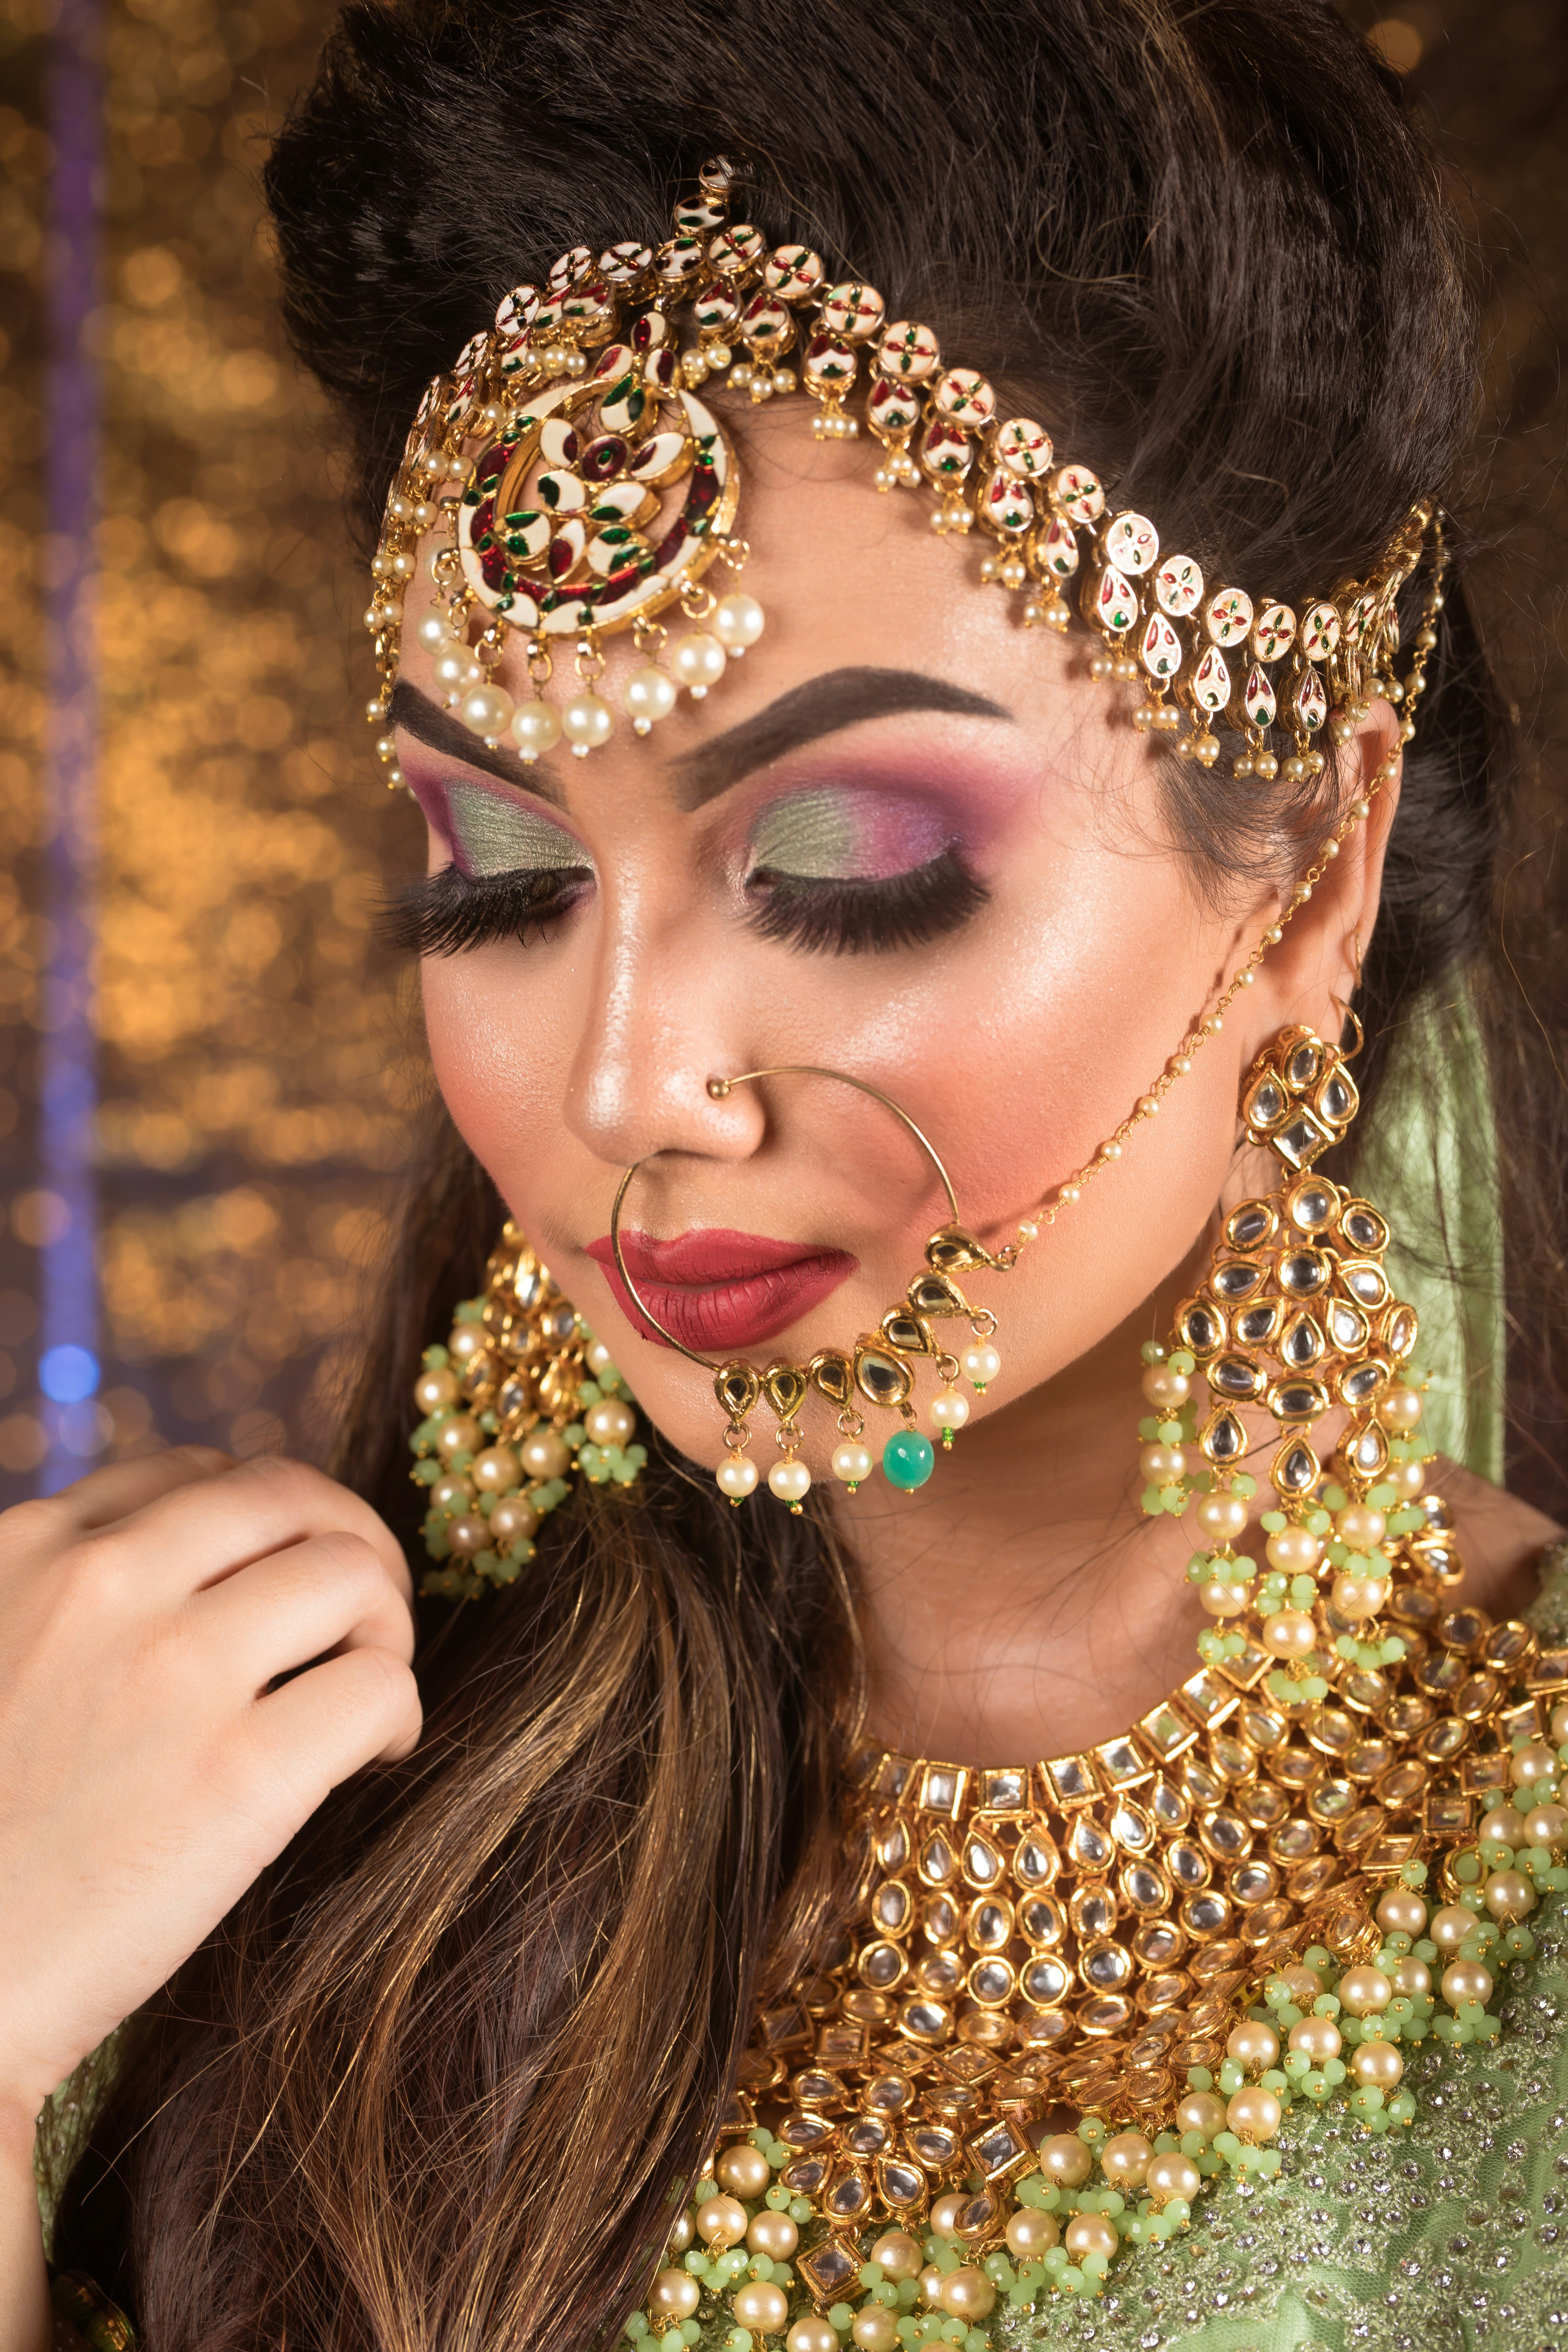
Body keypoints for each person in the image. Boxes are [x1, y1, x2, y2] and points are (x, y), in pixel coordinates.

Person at [7, 1, 1567, 2346]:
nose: (630, 1078)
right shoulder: (192, 1785)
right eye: (499, 872)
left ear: (1315, 872)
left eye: (849, 865)